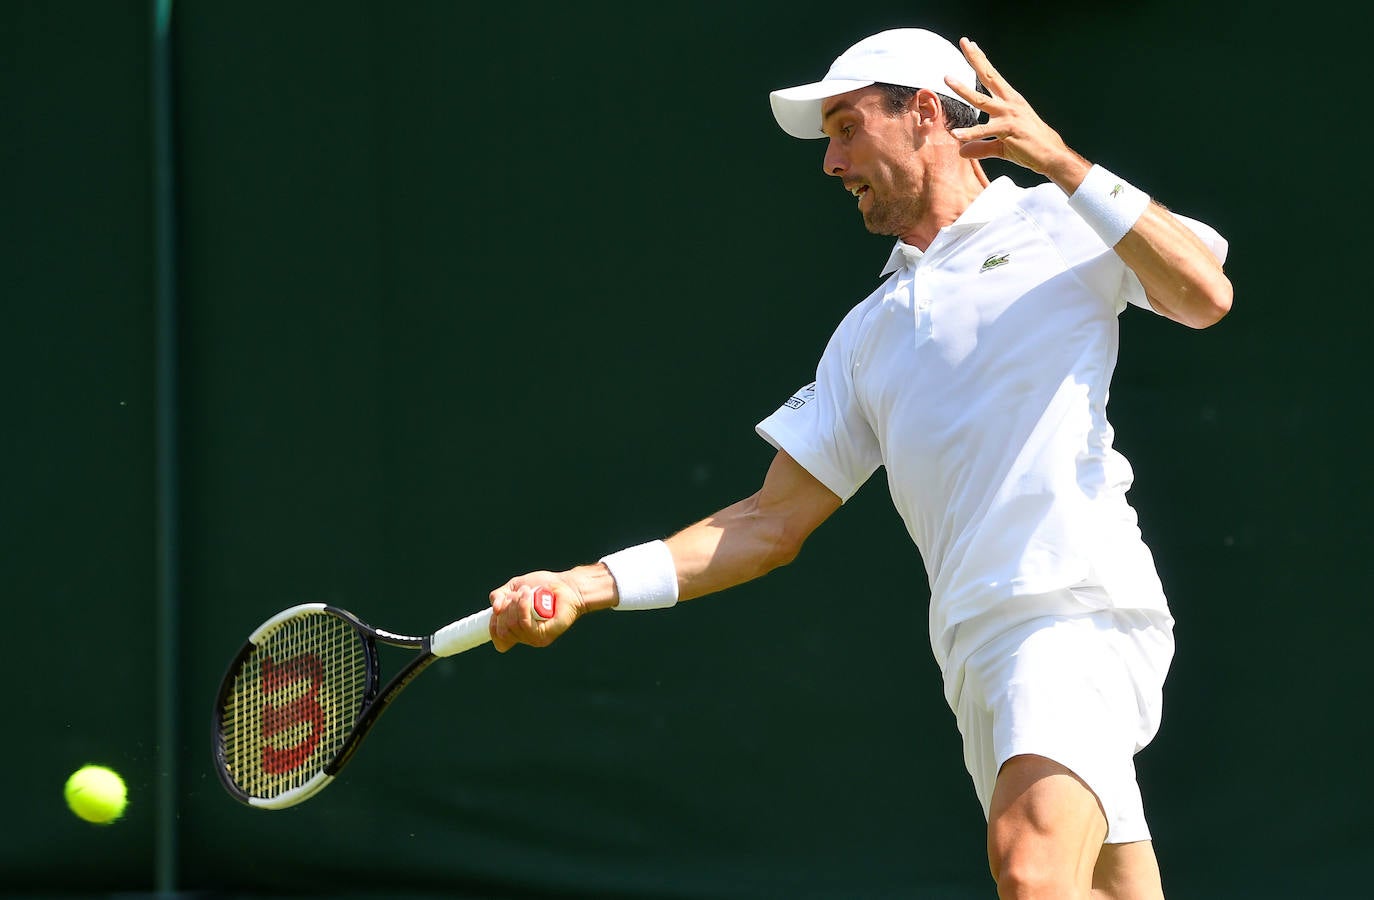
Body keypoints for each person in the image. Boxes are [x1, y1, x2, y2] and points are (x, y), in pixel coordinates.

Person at [486, 27, 1231, 900]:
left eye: (847, 127)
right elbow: (767, 525)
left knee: (1031, 870)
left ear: (924, 114)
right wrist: (586, 582)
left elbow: (1203, 295)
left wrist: (1061, 162)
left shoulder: (1060, 221)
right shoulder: (867, 333)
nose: (831, 163)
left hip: (1075, 611)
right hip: (975, 652)